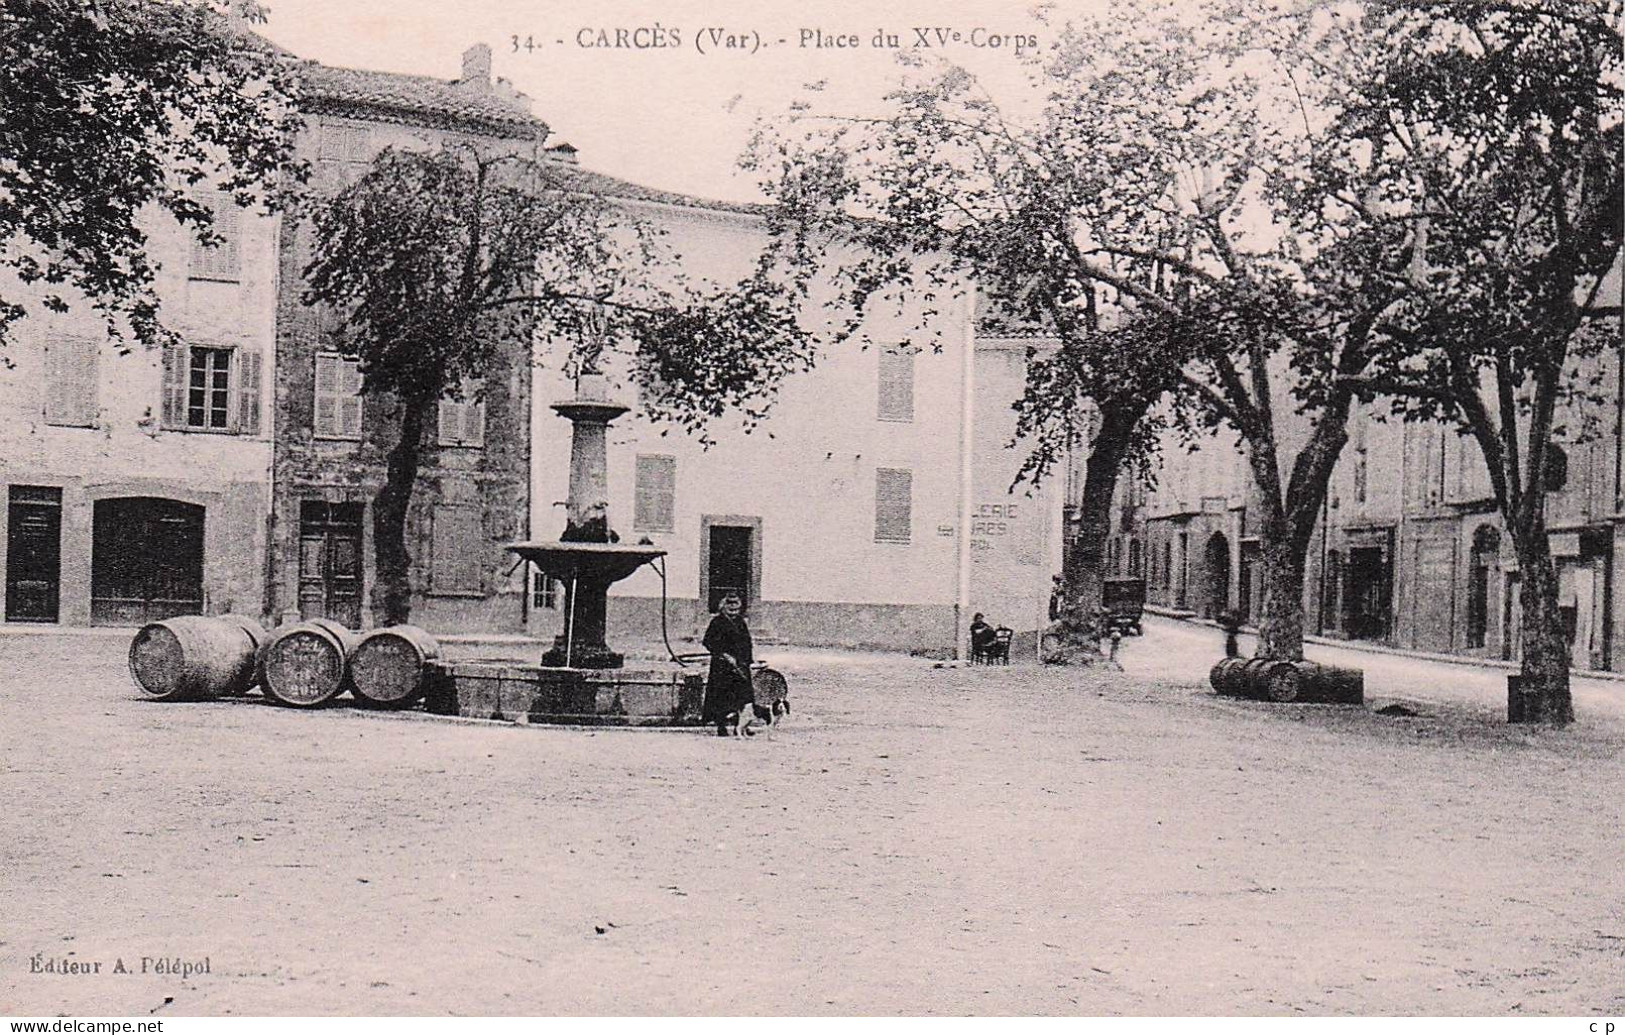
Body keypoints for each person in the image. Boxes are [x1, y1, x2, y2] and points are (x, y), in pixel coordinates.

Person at [701, 592, 755, 735]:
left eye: (736, 608)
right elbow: (708, 641)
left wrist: (747, 661)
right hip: (722, 666)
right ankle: (721, 726)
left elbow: (747, 642)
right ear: (723, 607)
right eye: (729, 607)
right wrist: (723, 654)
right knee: (721, 697)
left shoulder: (740, 622)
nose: (733, 611)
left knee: (743, 697)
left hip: (740, 665)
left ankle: (742, 726)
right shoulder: (717, 622)